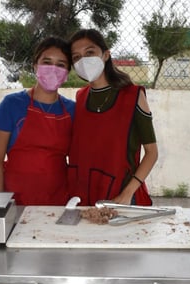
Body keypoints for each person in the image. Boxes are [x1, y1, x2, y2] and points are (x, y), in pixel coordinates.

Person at [68, 29, 158, 206]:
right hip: (84, 194)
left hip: (121, 197)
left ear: (106, 55)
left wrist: (127, 193)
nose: (83, 60)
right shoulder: (80, 97)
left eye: (90, 53)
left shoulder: (133, 96)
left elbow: (152, 153)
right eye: (77, 57)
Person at [0, 37, 75, 205]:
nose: (53, 69)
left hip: (59, 202)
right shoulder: (11, 105)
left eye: (61, 65)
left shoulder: (72, 111)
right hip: (17, 201)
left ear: (66, 74)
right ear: (35, 66)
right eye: (47, 62)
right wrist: (0, 206)